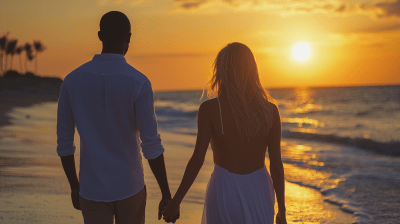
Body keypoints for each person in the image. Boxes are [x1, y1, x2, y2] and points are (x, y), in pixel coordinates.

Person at [57, 11, 178, 224]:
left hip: (91, 188)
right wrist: (166, 194)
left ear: (99, 36)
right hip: (129, 186)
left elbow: (65, 144)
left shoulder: (72, 81)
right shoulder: (138, 82)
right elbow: (151, 144)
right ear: (128, 38)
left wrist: (74, 185)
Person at [162, 42, 287, 224]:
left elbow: (197, 159)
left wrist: (176, 201)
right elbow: (276, 165)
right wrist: (282, 211)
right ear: (252, 70)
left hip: (224, 189)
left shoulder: (210, 109)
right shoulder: (269, 111)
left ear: (221, 70)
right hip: (259, 189)